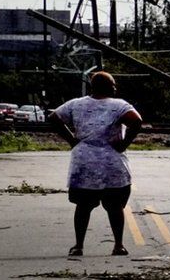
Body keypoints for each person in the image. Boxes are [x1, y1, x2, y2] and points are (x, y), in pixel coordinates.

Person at [48, 71, 143, 257]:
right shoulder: (119, 105)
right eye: (113, 84)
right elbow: (136, 121)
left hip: (84, 164)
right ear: (107, 87)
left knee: (83, 206)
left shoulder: (75, 104)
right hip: (111, 164)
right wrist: (123, 144)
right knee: (115, 207)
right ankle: (118, 245)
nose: (115, 88)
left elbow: (53, 117)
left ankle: (79, 246)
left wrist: (71, 139)